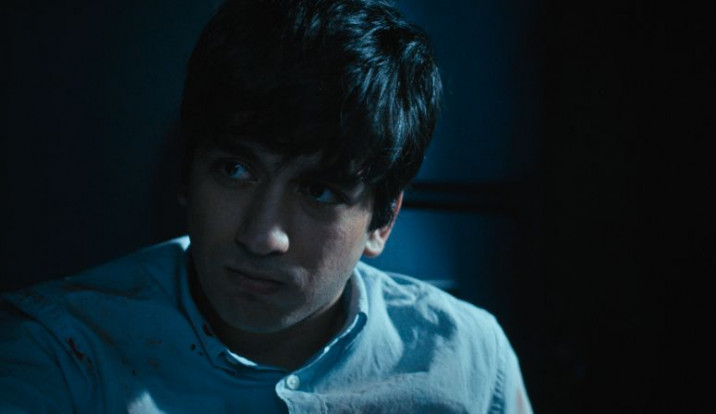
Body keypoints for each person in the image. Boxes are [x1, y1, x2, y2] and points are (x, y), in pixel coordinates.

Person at [0, 0, 533, 412]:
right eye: (235, 170)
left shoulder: (468, 358)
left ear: (382, 221)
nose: (261, 236)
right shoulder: (62, 350)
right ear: (187, 172)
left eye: (319, 191)